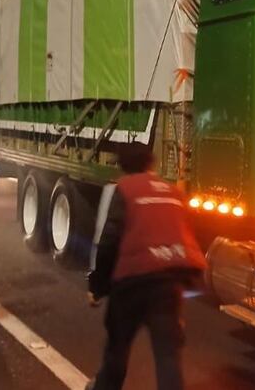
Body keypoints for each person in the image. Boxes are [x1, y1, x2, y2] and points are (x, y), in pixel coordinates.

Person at [87, 143, 206, 390]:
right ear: (152, 163)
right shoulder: (173, 192)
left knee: (117, 349)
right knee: (168, 356)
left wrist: (97, 287)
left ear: (122, 166)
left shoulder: (125, 189)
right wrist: (186, 283)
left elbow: (109, 240)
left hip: (132, 282)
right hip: (168, 285)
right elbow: (184, 237)